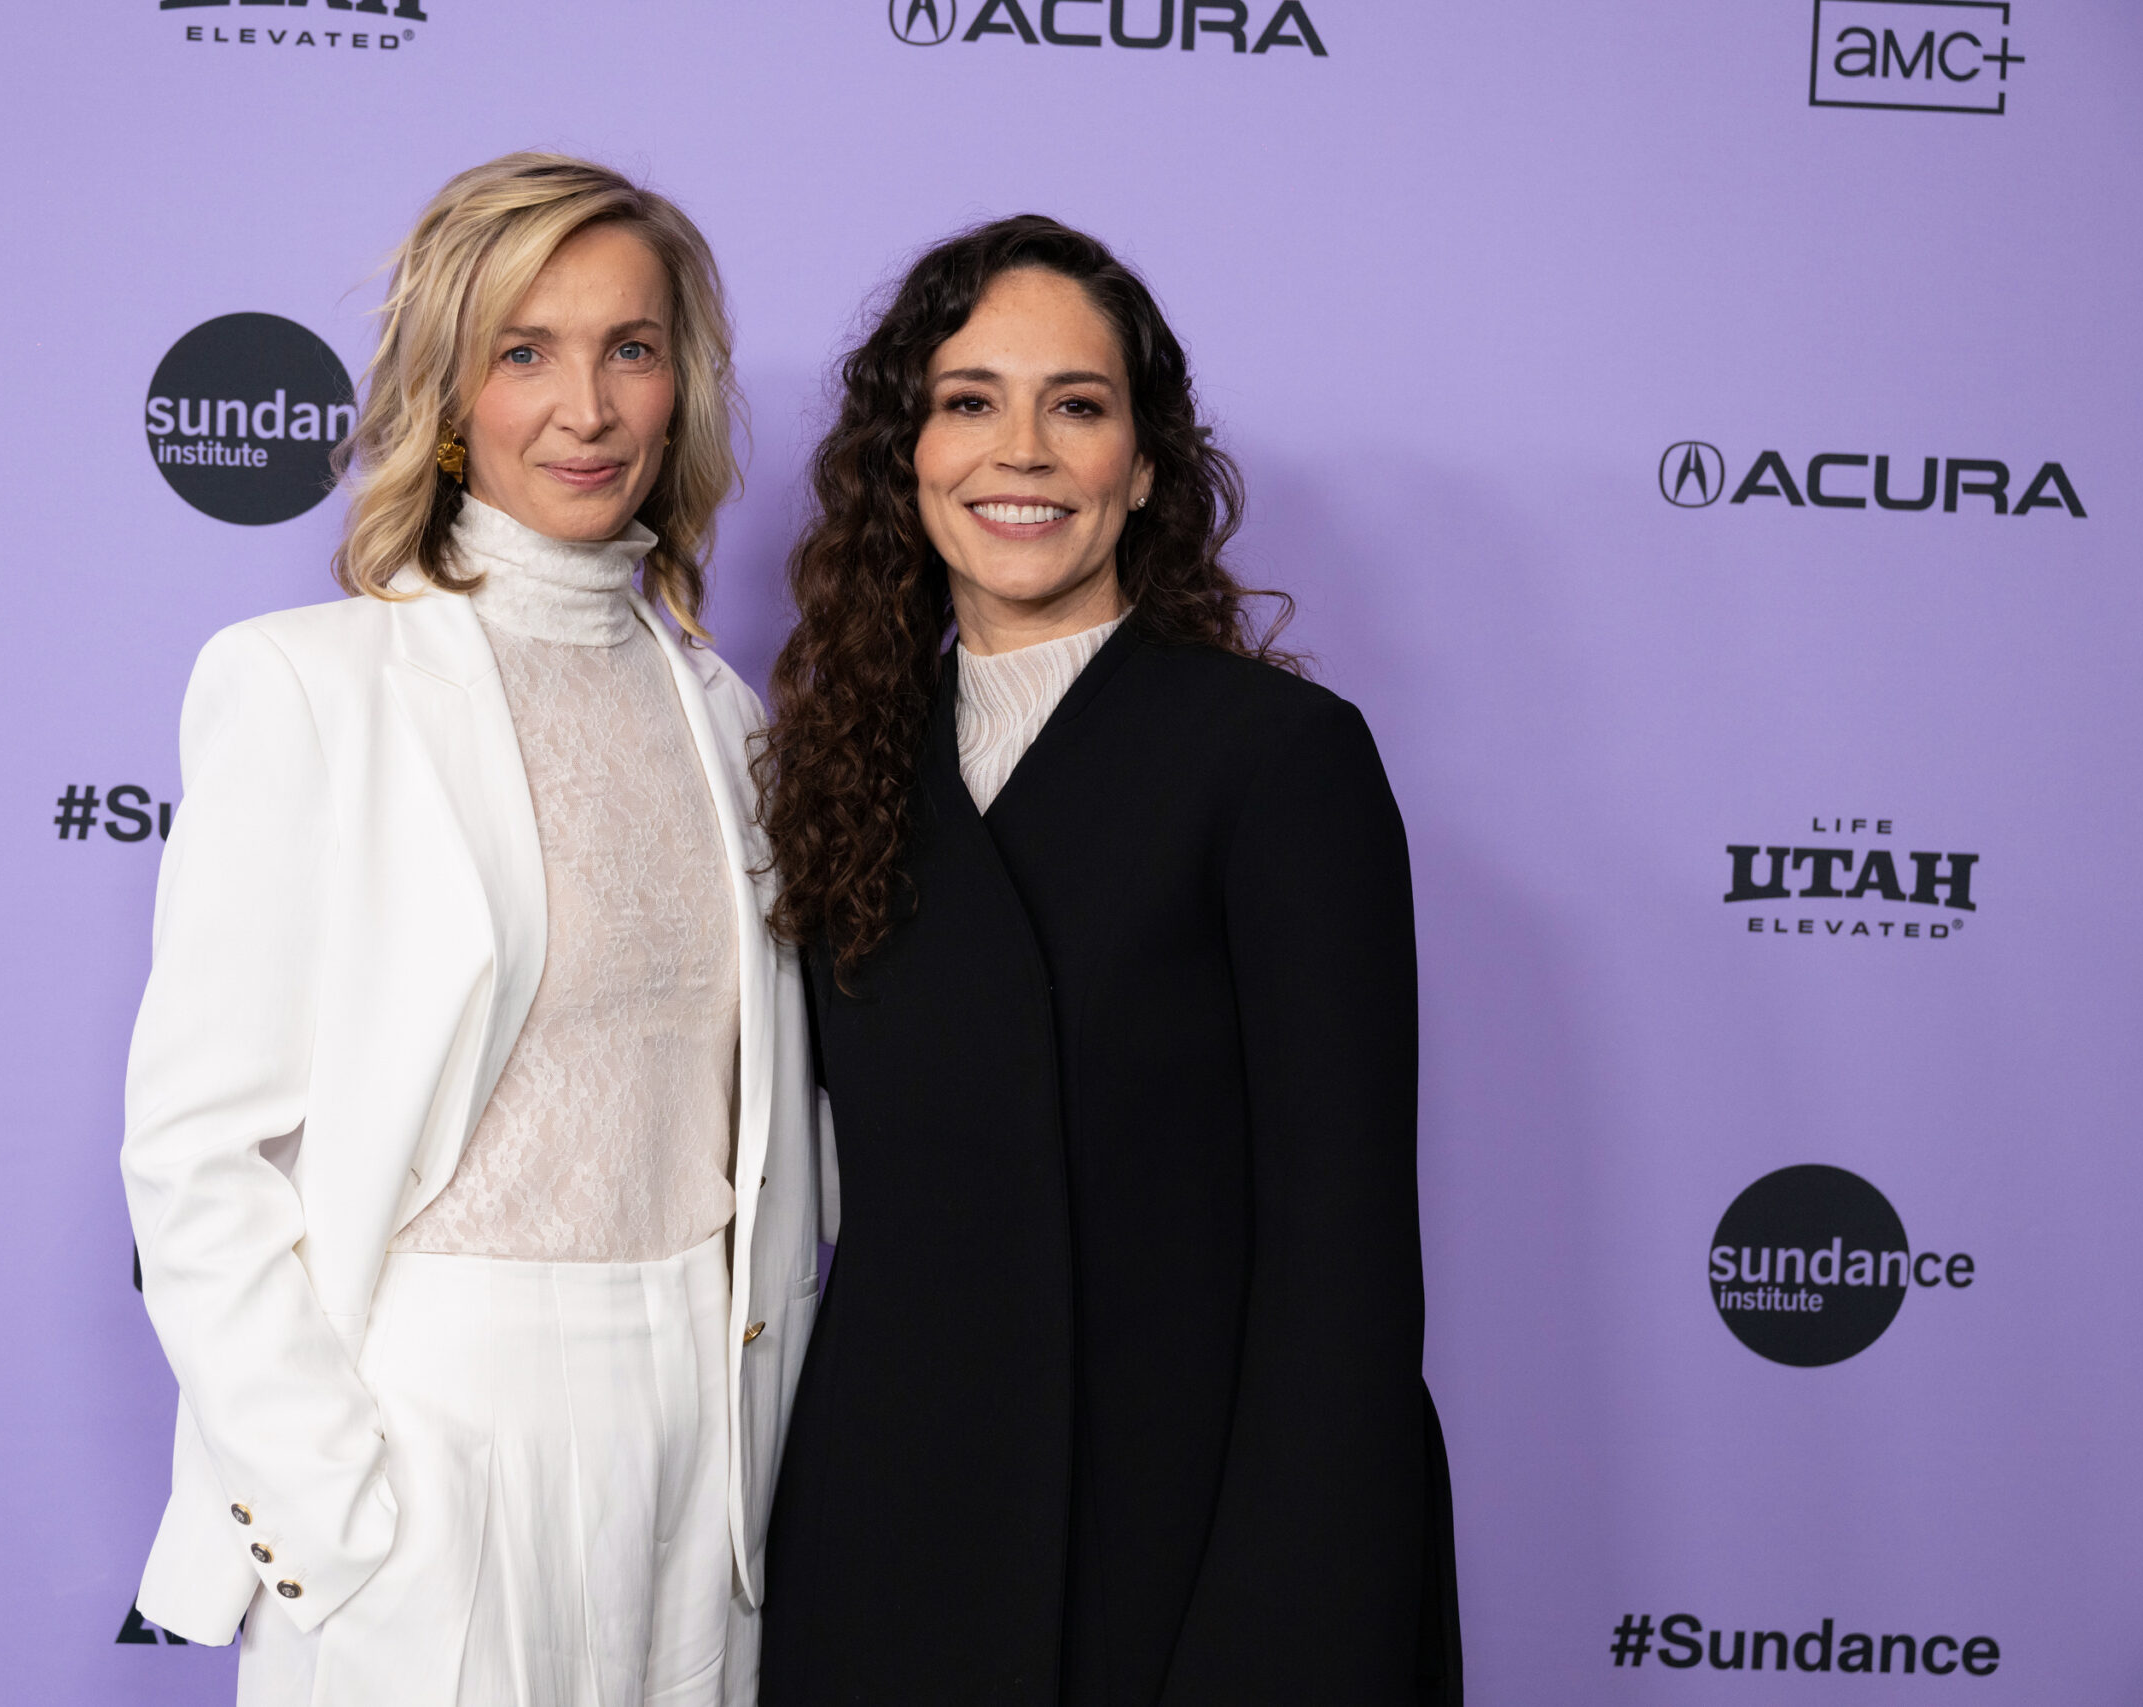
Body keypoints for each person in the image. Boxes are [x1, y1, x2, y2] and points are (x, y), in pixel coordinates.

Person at [120, 153, 822, 1707]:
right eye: (525, 352)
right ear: (446, 392)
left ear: (681, 386)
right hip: (432, 1433)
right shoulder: (308, 684)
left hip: (702, 1447)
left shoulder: (729, 719)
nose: (587, 408)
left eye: (630, 348)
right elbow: (192, 1157)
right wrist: (336, 1507)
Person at [751, 216, 1460, 1706]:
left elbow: (1343, 1263)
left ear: (1143, 469)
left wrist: (1286, 1626)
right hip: (888, 1543)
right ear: (908, 457)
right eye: (968, 402)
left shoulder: (1279, 763)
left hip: (1185, 1554)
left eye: (1076, 405)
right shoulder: (839, 768)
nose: (1022, 451)